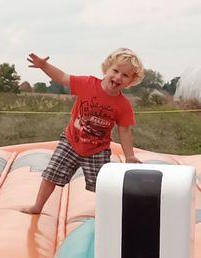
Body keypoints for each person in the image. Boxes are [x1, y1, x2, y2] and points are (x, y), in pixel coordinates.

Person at [25, 48, 145, 214]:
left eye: (125, 75)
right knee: (51, 174)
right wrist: (43, 65)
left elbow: (124, 131)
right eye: (115, 71)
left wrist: (129, 155)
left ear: (131, 81)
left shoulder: (123, 105)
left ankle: (109, 214)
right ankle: (37, 207)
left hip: (97, 150)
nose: (118, 77)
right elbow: (62, 77)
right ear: (106, 69)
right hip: (71, 141)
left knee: (102, 185)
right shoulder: (87, 84)